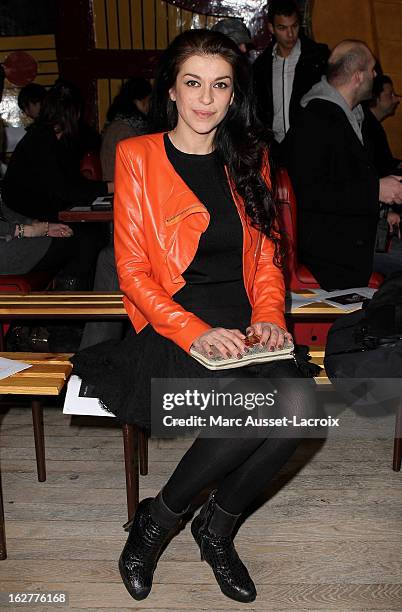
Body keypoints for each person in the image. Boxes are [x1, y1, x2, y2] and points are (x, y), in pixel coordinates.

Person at [72, 29, 317, 604]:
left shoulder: (248, 155)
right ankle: (156, 525)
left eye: (220, 86)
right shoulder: (138, 156)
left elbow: (265, 258)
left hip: (245, 326)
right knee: (252, 412)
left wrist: (271, 314)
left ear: (234, 96)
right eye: (193, 84)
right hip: (173, 324)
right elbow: (132, 271)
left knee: (302, 407)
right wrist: (197, 331)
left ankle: (218, 527)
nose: (206, 99)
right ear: (172, 92)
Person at [283, 40, 402, 290]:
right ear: (358, 76)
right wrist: (375, 191)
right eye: (372, 70)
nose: (375, 75)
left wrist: (383, 210)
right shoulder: (314, 120)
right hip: (332, 253)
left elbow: (352, 178)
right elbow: (310, 192)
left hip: (357, 239)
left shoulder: (355, 115)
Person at [3, 82, 113, 221]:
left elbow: (71, 183)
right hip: (22, 215)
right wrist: (110, 187)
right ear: (74, 114)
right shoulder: (41, 138)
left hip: (41, 208)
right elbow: (64, 190)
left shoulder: (59, 138)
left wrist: (107, 187)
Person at [252, 0, 329, 144]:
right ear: (271, 28)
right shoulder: (261, 66)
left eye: (294, 26)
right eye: (282, 28)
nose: (290, 34)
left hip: (311, 144)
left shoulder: (317, 57)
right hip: (274, 147)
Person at [100, 77, 152, 181]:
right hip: (120, 188)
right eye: (149, 101)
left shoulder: (121, 124)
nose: (150, 106)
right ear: (140, 101)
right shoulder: (124, 131)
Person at [363, 74, 401, 177]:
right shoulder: (367, 127)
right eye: (391, 95)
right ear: (376, 97)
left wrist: (398, 164)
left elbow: (384, 161)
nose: (397, 100)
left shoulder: (371, 123)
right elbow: (380, 170)